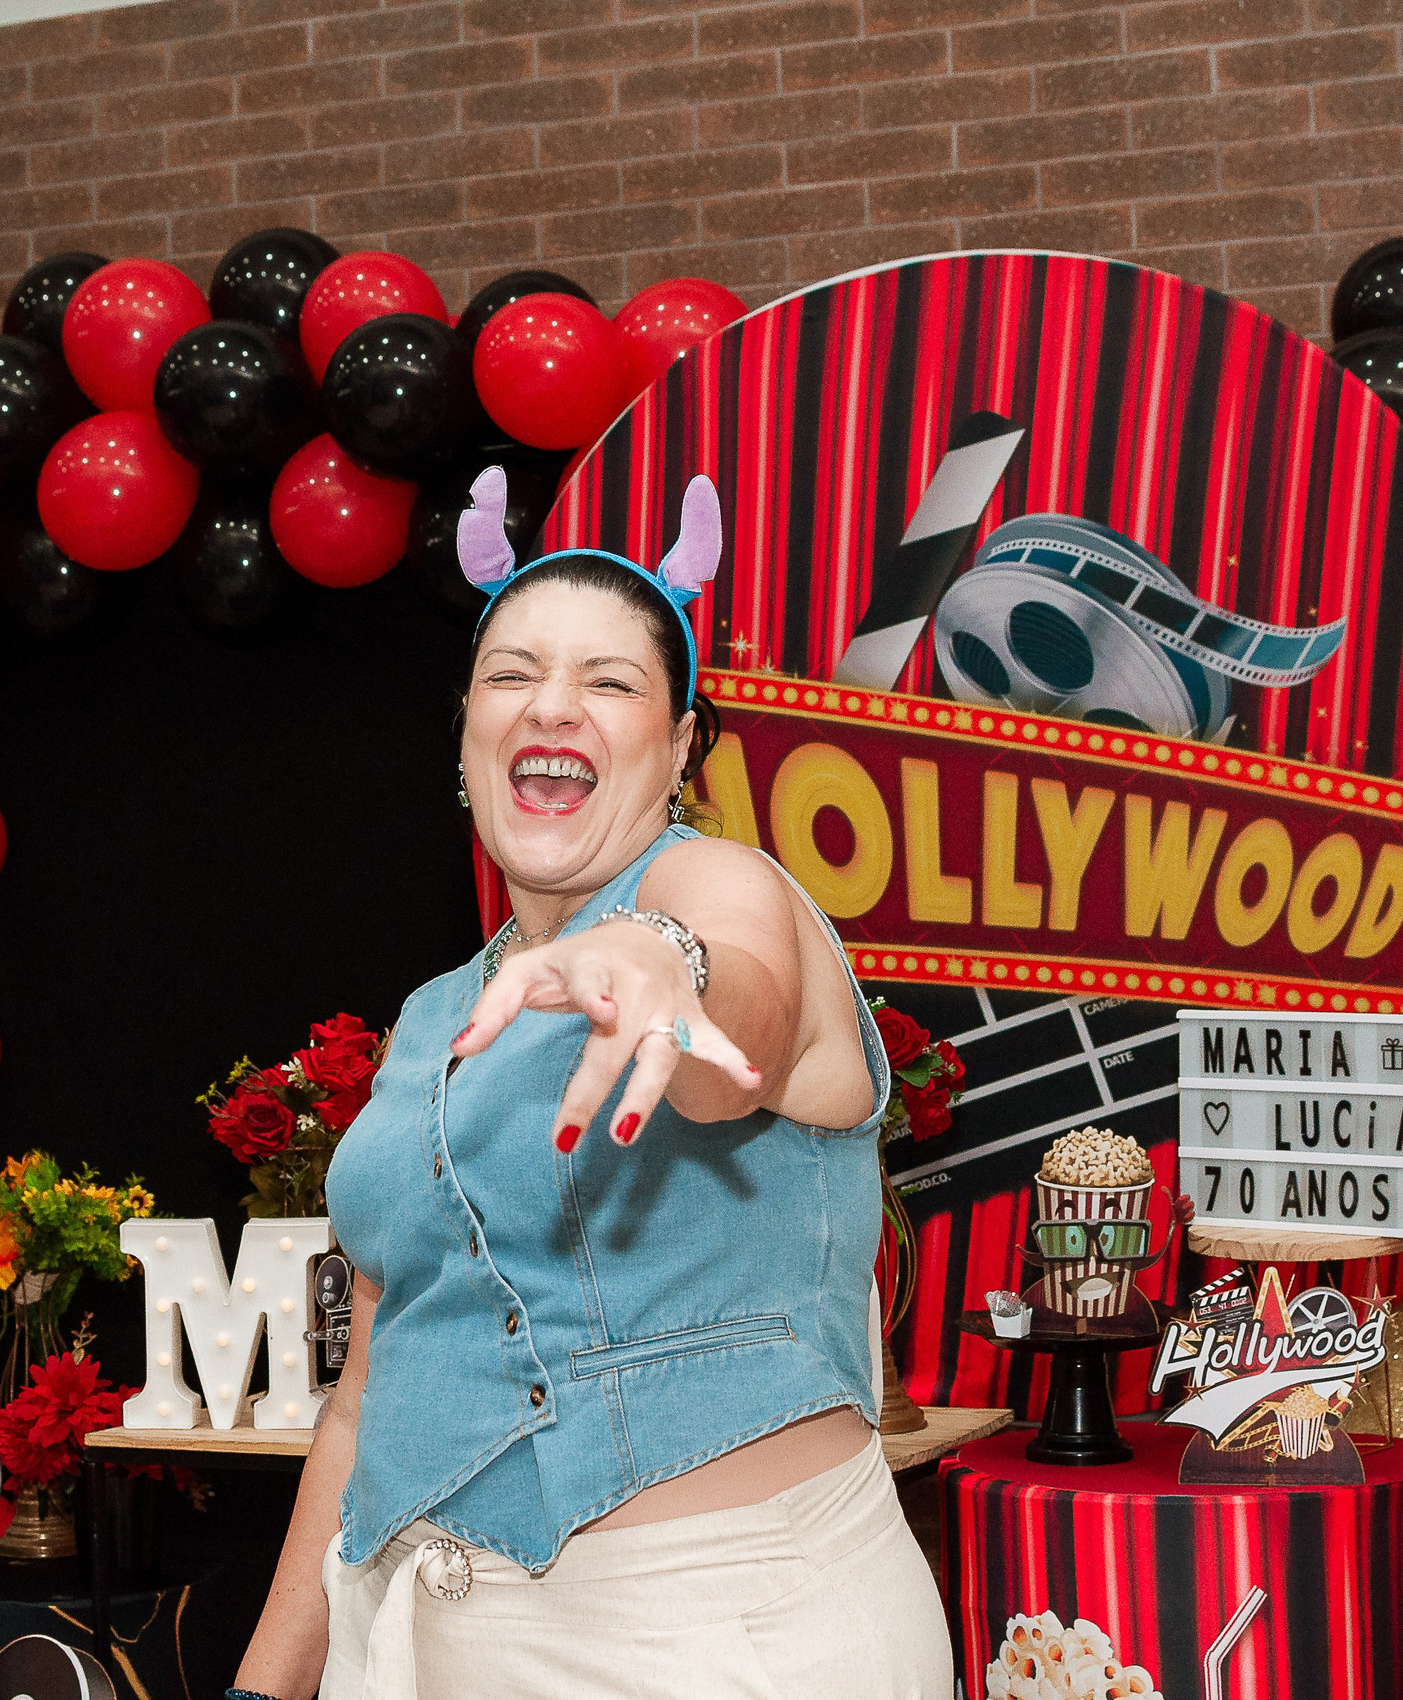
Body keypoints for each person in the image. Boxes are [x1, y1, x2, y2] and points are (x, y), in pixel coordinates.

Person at [226, 471, 956, 1700]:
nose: (550, 702)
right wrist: (267, 1683)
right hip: (407, 1632)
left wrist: (661, 961)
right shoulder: (431, 1018)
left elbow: (742, 1024)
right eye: (511, 674)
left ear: (677, 745)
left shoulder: (729, 889)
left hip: (711, 1637)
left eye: (609, 681)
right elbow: (364, 1401)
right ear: (466, 733)